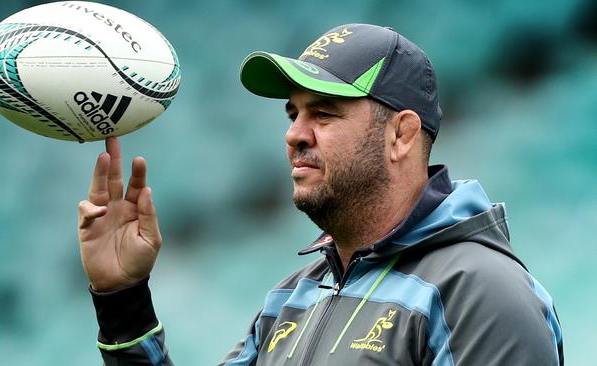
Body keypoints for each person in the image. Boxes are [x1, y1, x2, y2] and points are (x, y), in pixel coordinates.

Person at [77, 24, 564, 365]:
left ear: (401, 135)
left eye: (325, 113)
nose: (295, 134)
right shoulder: (292, 298)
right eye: (293, 114)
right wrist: (124, 301)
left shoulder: (480, 292)